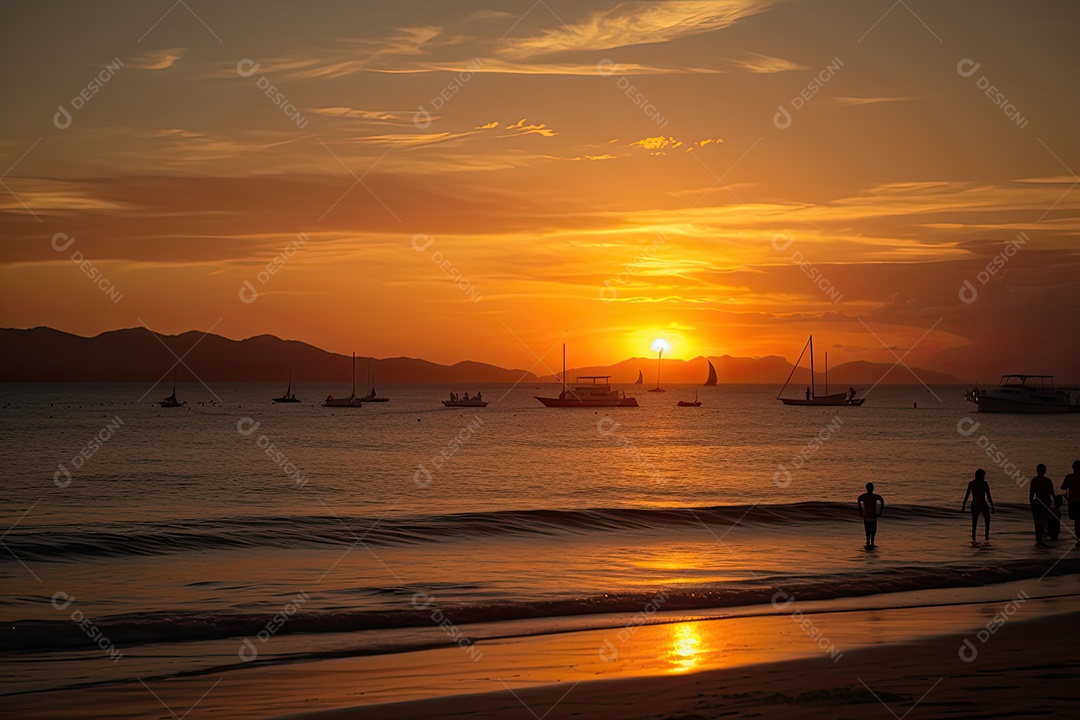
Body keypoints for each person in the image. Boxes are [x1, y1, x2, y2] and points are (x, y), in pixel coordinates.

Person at [961, 469, 995, 544]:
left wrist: (963, 505)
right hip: (981, 504)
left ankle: (976, 538)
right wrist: (992, 506)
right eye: (983, 475)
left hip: (976, 504)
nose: (984, 477)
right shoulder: (984, 484)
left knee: (975, 522)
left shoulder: (972, 483)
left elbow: (967, 495)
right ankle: (985, 538)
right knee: (985, 521)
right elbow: (988, 497)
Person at [1029, 464, 1055, 547]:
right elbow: (1052, 493)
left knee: (1037, 522)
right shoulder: (1048, 481)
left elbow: (1031, 494)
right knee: (1043, 521)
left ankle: (1038, 540)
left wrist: (1031, 504)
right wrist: (1056, 503)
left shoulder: (1034, 480)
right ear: (1045, 471)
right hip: (1045, 502)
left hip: (1037, 503)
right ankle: (1040, 541)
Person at [858, 482, 884, 549]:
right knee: (873, 531)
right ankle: (872, 542)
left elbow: (859, 499)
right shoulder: (875, 496)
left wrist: (860, 511)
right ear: (873, 488)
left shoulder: (864, 496)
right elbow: (882, 500)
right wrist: (880, 511)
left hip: (867, 516)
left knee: (867, 532)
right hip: (873, 516)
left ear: (866, 488)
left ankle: (868, 543)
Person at [1062, 460, 1080, 542]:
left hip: (1073, 502)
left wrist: (1066, 496)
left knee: (1076, 521)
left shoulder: (1069, 477)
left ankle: (1078, 538)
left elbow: (1063, 487)